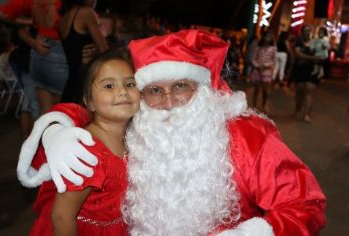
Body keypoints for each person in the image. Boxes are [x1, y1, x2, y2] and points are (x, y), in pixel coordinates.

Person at [17, 30, 326, 235]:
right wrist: (56, 127)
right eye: (154, 90)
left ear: (202, 89)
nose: (167, 102)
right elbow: (100, 108)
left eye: (181, 86)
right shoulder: (141, 125)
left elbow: (306, 205)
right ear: (142, 96)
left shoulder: (246, 135)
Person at [28, 50, 139, 235]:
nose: (122, 91)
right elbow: (62, 216)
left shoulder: (132, 137)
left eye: (130, 84)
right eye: (109, 86)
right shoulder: (87, 152)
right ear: (90, 102)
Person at [0, 0, 69, 114]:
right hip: (58, 52)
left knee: (44, 112)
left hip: (38, 53)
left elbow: (2, 15)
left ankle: (43, 132)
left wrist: (32, 36)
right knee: (61, 112)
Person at [59, 0, 109, 103]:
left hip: (71, 85)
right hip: (85, 83)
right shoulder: (86, 12)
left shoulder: (65, 16)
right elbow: (105, 51)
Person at [293, 25, 323, 123]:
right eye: (306, 31)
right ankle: (298, 111)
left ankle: (306, 114)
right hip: (300, 69)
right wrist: (311, 58)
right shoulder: (299, 42)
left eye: (309, 31)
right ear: (302, 32)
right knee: (300, 92)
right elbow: (297, 54)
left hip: (313, 70)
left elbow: (321, 54)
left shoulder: (316, 42)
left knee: (309, 92)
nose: (308, 32)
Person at [250, 30, 277, 113]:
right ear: (263, 37)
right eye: (266, 36)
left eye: (269, 36)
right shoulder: (258, 47)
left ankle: (264, 104)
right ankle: (253, 106)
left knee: (265, 90)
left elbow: (274, 60)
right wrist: (256, 65)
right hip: (257, 70)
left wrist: (265, 65)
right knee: (256, 89)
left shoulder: (273, 48)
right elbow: (253, 57)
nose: (267, 38)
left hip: (267, 71)